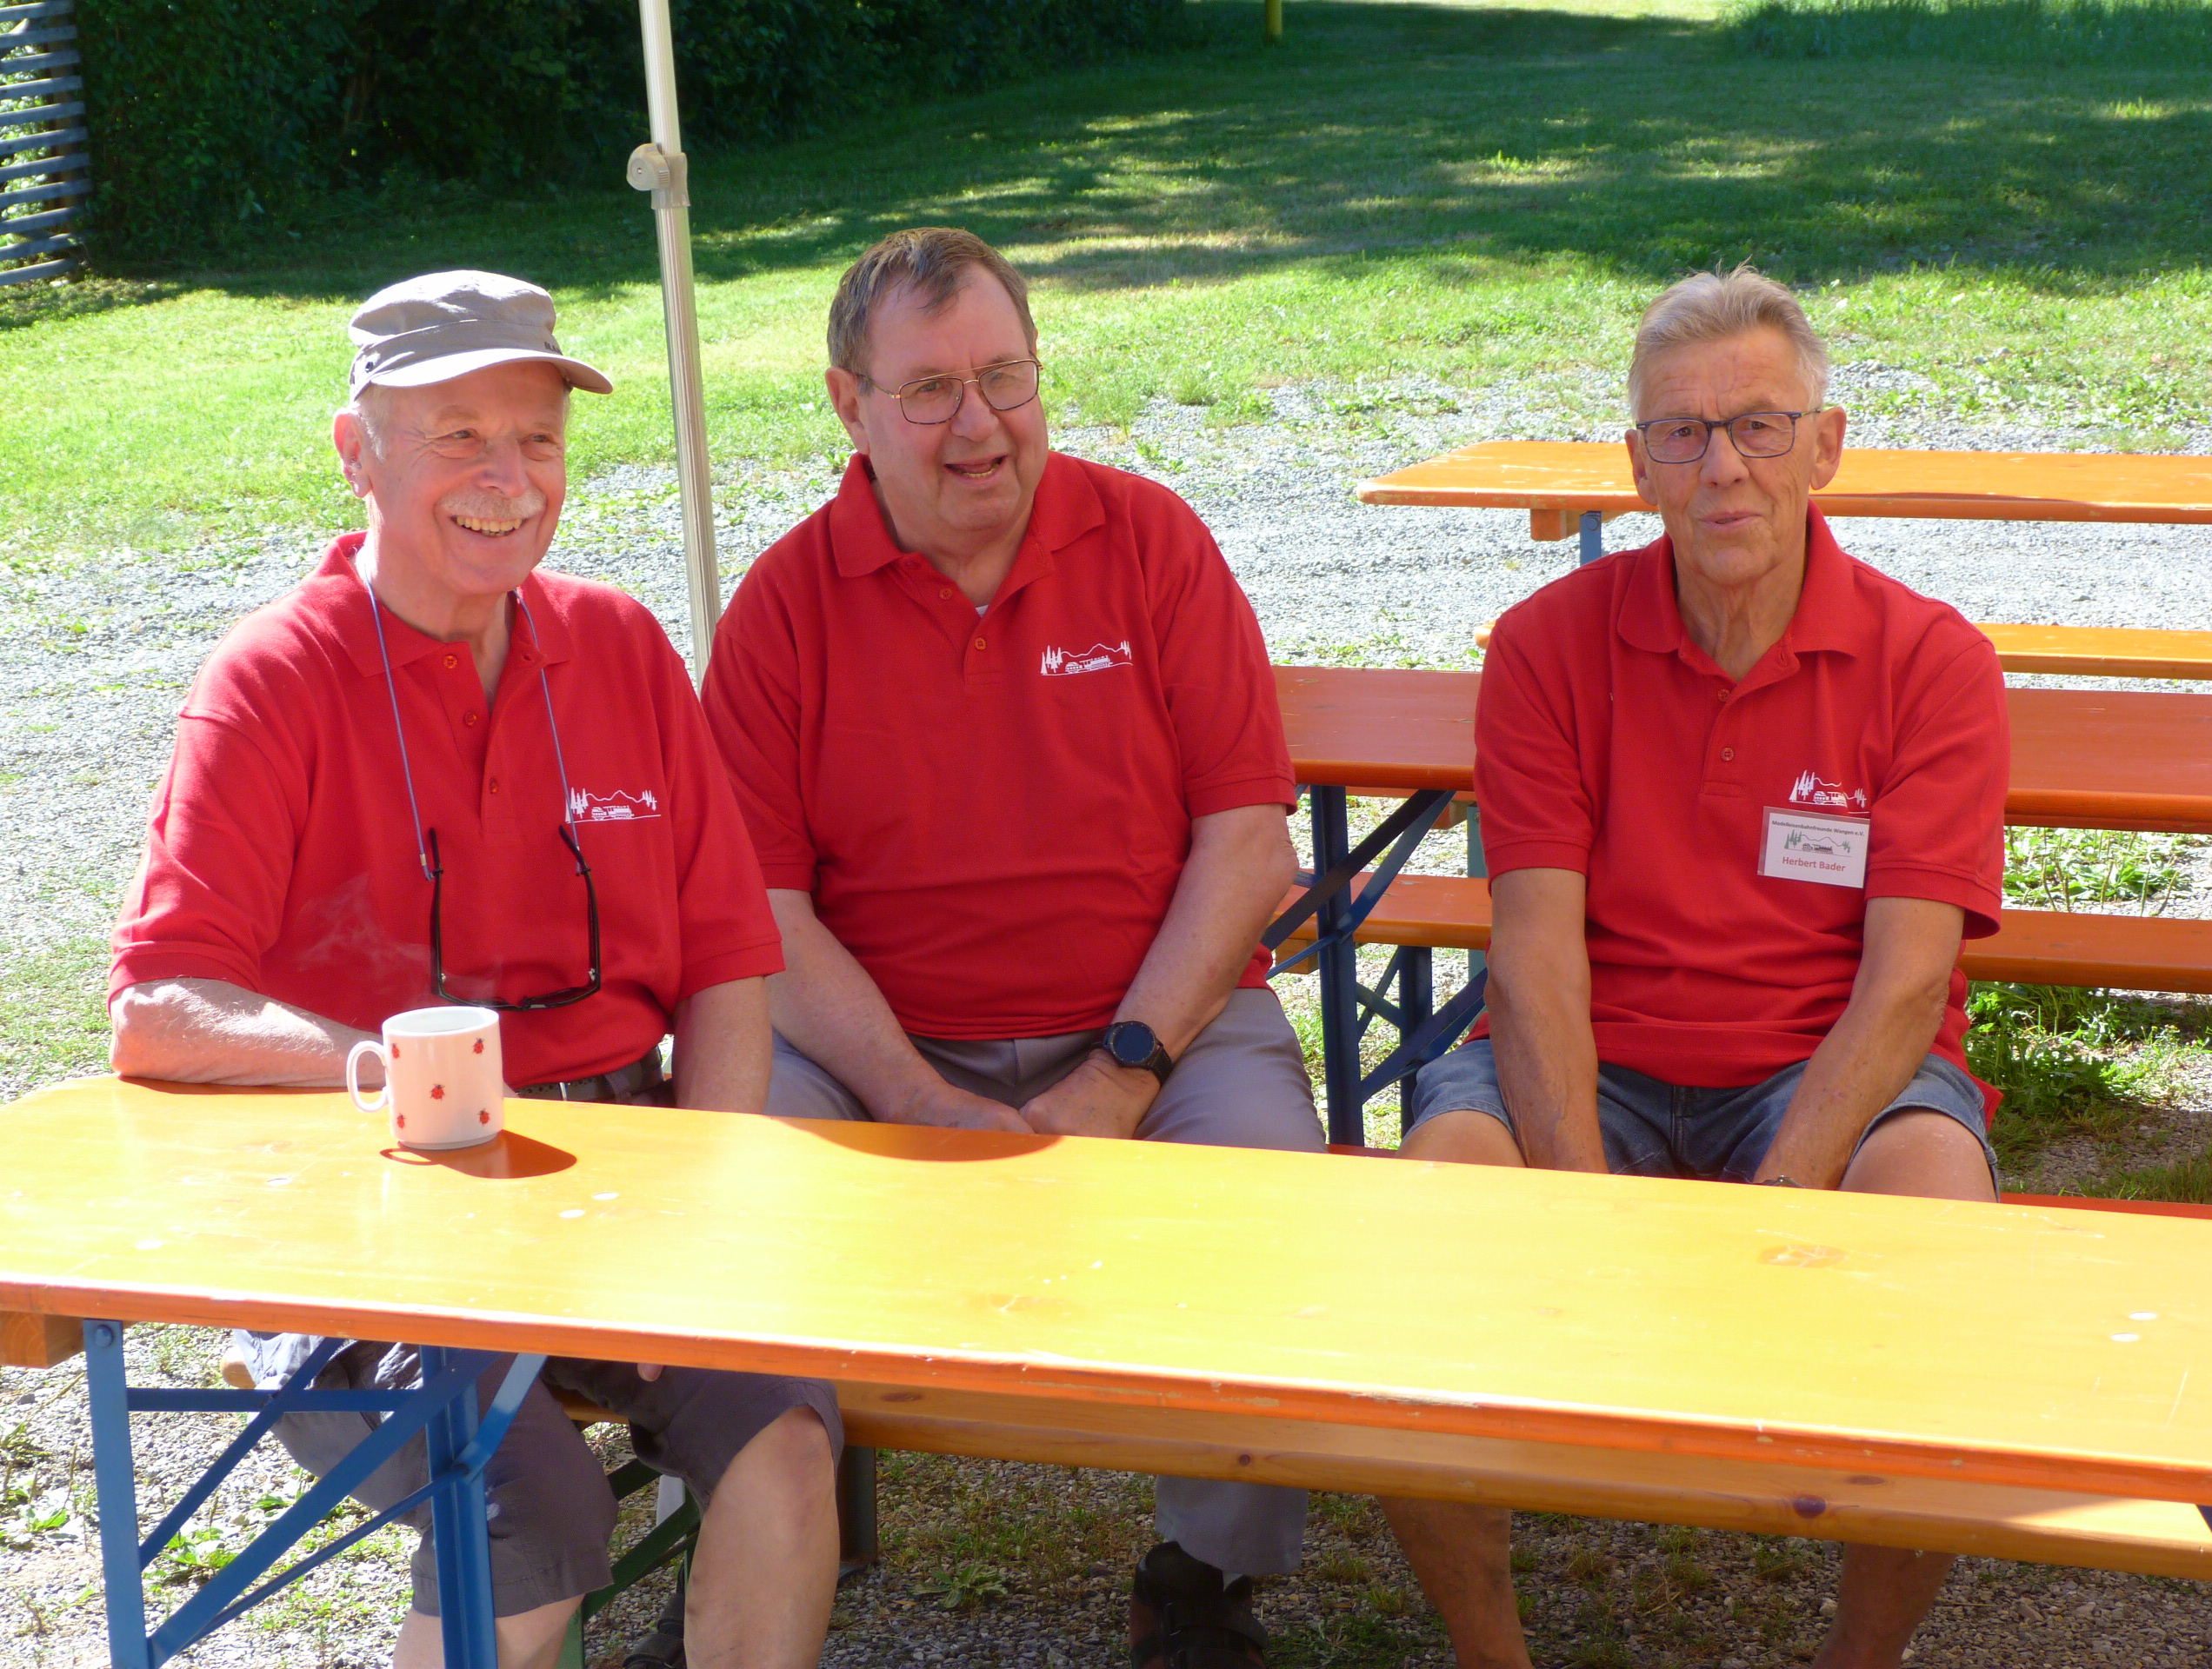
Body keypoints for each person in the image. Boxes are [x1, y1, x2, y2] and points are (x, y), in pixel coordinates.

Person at [108, 270, 840, 1669]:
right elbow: (157, 1009)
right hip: (377, 1211)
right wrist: (381, 1068)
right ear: (358, 453)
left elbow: (727, 965)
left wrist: (710, 1206)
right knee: (524, 1506)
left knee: (787, 1444)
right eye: (459, 437)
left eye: (537, 440)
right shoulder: (271, 679)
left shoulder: (620, 646)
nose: (509, 479)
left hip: (628, 1182)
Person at [702, 227, 1316, 1669]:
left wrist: (1122, 1073)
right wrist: (919, 1100)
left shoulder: (1149, 541)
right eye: (930, 391)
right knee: (730, 1210)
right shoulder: (787, 604)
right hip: (876, 1045)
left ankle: (1204, 1576)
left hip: (1158, 1026)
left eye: (1005, 378)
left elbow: (1247, 847)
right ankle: (741, 1554)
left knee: (1278, 1211)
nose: (978, 424)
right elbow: (761, 920)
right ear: (849, 406)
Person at [1386, 265, 2010, 1669]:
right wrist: (1586, 1218)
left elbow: (1907, 988)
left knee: (1941, 1246)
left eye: (1758, 426)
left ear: (1824, 446)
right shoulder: (1546, 648)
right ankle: (1493, 1656)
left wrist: (1770, 1224)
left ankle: (1860, 1662)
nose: (1723, 465)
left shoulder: (1930, 661)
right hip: (1594, 1060)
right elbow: (1536, 960)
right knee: (1423, 1238)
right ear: (1639, 466)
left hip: (1827, 1064)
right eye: (1682, 432)